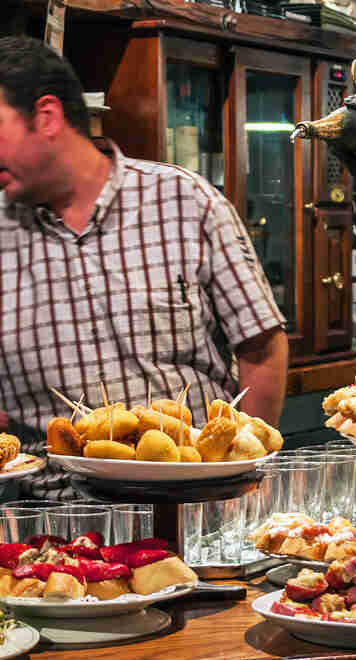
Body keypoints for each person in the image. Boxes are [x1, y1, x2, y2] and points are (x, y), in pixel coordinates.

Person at [0, 37, 288, 498]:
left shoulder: (184, 202)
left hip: (195, 502)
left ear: (47, 116)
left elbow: (261, 348)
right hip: (61, 516)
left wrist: (241, 474)